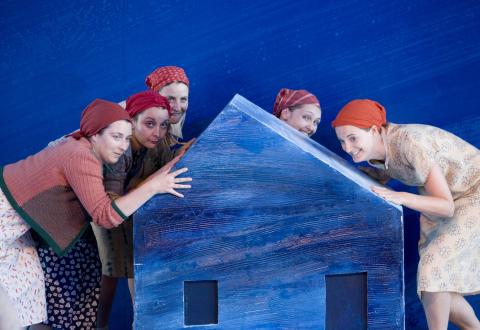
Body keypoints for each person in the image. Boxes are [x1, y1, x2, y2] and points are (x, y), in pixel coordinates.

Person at [0, 99, 191, 328]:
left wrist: (171, 167)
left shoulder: (81, 147)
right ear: (96, 135)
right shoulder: (81, 156)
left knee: (29, 298)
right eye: (116, 137)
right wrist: (154, 187)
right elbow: (105, 215)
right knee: (11, 313)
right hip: (5, 221)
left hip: (18, 231)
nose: (122, 145)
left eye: (126, 138)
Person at [332, 99, 480, 330]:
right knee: (433, 284)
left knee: (432, 272)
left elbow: (446, 206)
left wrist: (400, 198)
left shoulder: (409, 142)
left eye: (353, 138)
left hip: (473, 193)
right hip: (441, 198)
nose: (348, 148)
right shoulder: (376, 152)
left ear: (374, 130)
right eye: (342, 141)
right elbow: (382, 174)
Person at [93, 90, 178, 329]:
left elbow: (165, 173)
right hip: (111, 219)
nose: (157, 132)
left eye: (163, 125)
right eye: (149, 124)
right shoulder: (122, 150)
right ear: (132, 121)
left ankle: (137, 323)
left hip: (138, 217)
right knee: (114, 270)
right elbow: (111, 201)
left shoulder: (158, 145)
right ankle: (102, 325)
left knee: (131, 270)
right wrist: (151, 185)